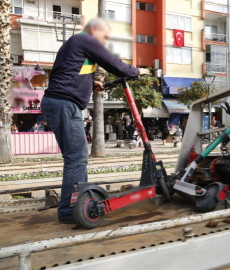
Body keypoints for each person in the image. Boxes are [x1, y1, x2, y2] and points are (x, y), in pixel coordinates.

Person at [40, 18, 150, 224]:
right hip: (64, 103)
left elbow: (69, 71)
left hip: (58, 103)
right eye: (104, 36)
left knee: (74, 157)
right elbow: (113, 63)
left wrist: (92, 82)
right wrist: (136, 71)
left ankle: (73, 204)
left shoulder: (73, 44)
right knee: (77, 157)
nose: (104, 41)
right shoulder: (85, 40)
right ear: (93, 30)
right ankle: (70, 210)